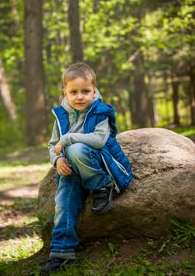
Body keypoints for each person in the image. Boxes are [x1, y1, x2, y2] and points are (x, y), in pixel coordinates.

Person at [41, 62, 132, 275]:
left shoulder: (100, 111)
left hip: (99, 162)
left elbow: (100, 139)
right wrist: (57, 160)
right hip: (73, 168)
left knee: (76, 150)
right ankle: (61, 251)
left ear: (94, 91)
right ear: (65, 91)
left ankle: (102, 185)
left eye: (85, 91)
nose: (79, 96)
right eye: (73, 92)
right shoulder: (62, 115)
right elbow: (52, 144)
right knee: (64, 201)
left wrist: (68, 139)